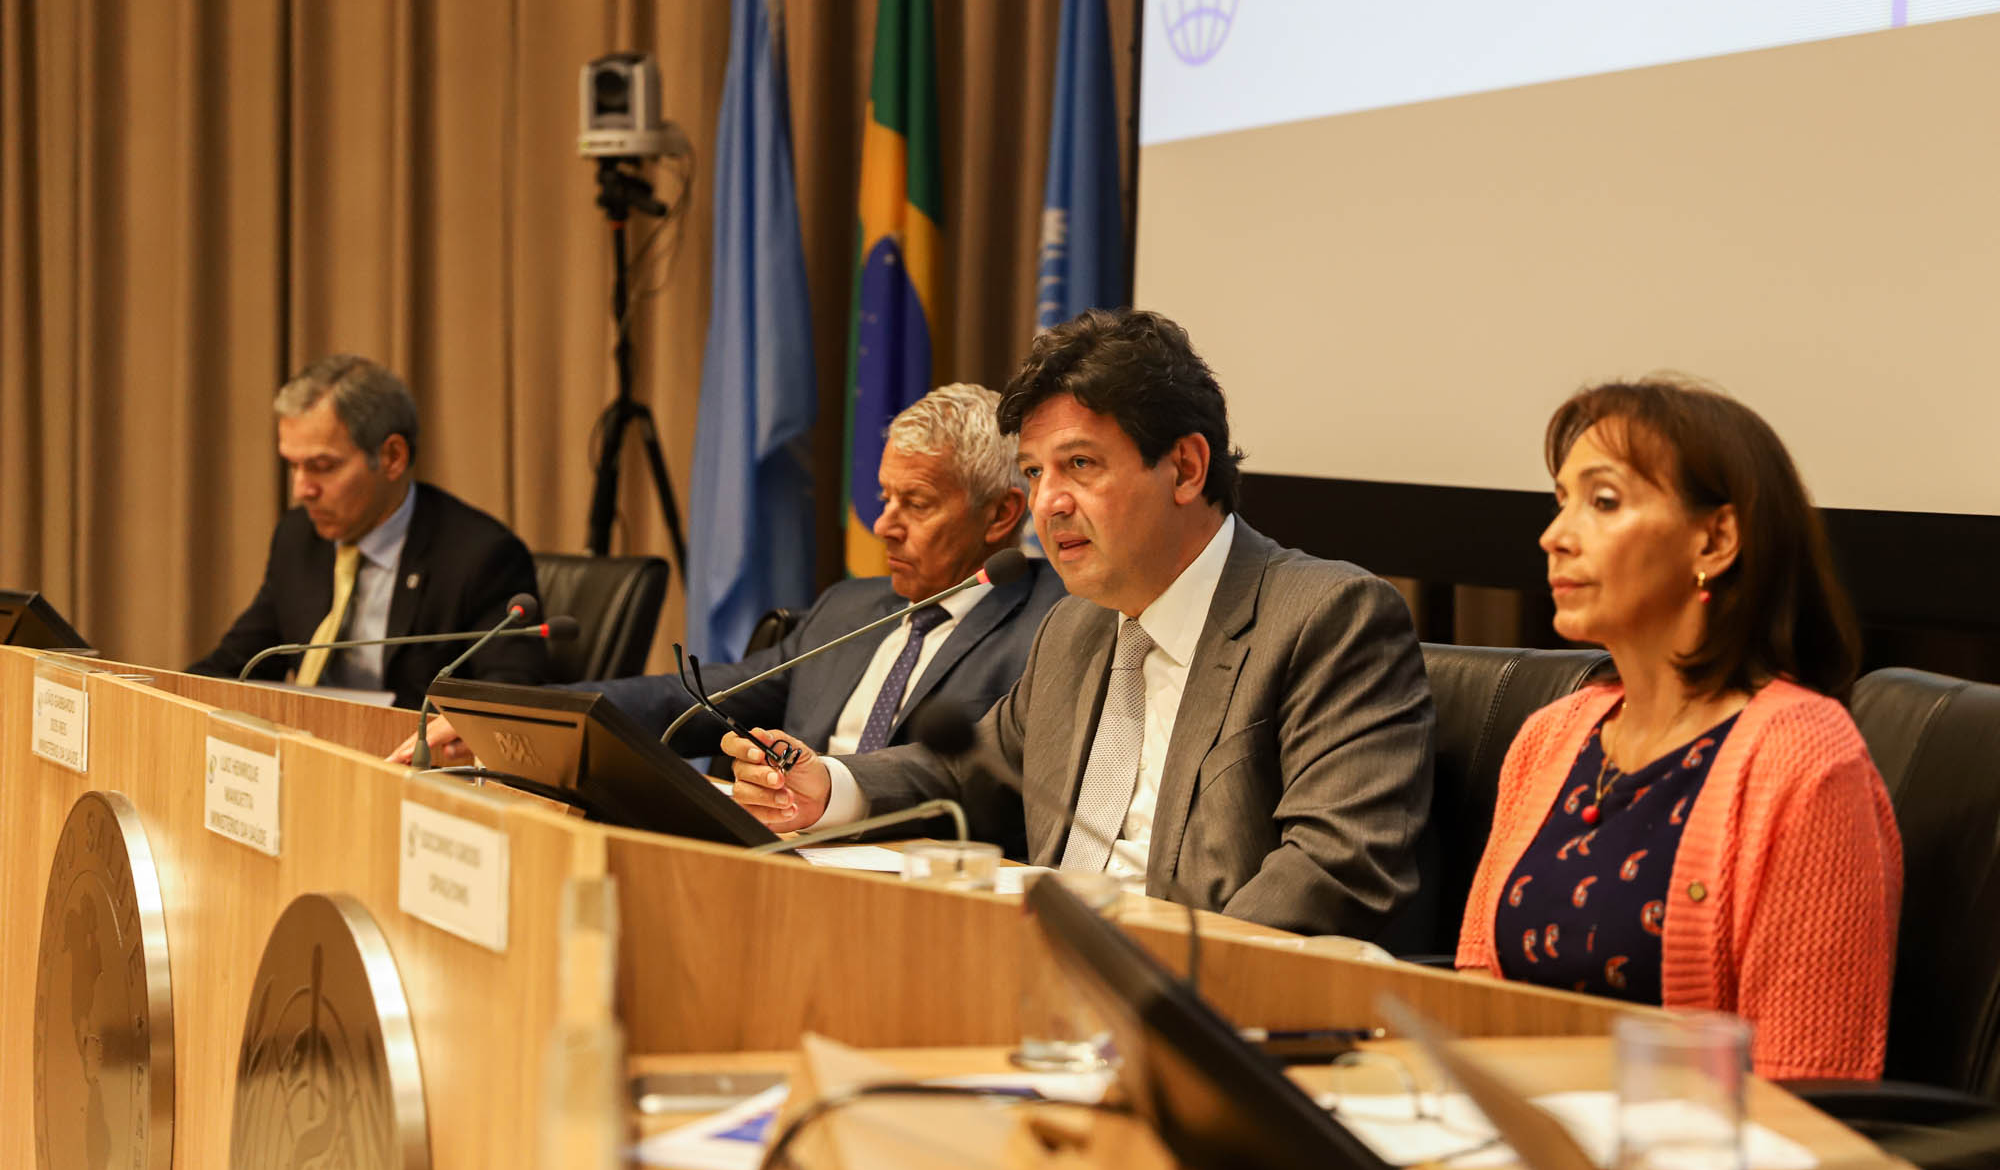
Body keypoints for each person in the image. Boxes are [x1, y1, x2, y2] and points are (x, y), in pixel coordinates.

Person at [727, 311, 1435, 938]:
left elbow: (1333, 869)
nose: (1047, 504)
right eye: (1035, 473)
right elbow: (966, 770)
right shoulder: (1076, 627)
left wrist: (1158, 979)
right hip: (1039, 972)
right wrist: (827, 786)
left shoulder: (1329, 618)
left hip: (1196, 997)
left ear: (1185, 468)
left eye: (1080, 464)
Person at [1455, 380, 1901, 1080]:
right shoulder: (1550, 738)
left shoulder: (1804, 758)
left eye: (1603, 501)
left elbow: (1811, 1085)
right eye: (1561, 501)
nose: (1555, 535)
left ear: (1716, 539)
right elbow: (1473, 1000)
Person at [396, 383, 1067, 766]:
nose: (884, 525)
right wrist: (517, 717)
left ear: (1001, 515)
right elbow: (694, 699)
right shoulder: (848, 608)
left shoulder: (1054, 628)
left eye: (915, 504)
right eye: (883, 497)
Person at [190, 355, 544, 708]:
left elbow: (507, 696)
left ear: (392, 457)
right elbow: (238, 665)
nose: (301, 490)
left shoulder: (480, 556)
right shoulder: (298, 537)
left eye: (322, 466)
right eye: (293, 466)